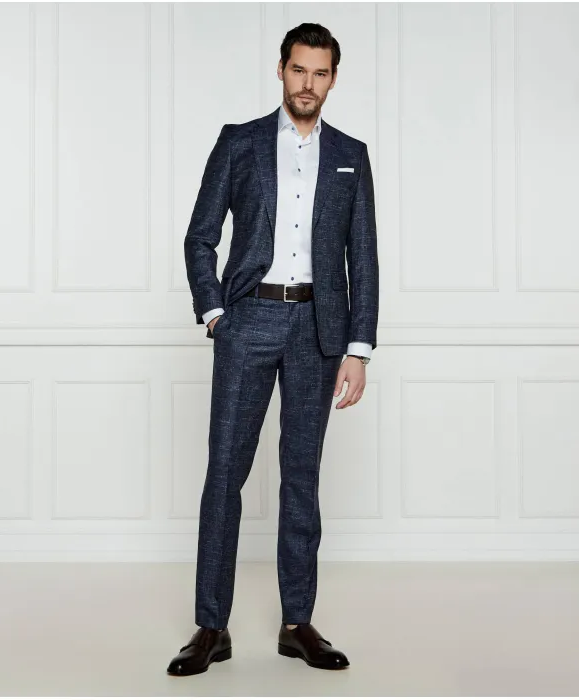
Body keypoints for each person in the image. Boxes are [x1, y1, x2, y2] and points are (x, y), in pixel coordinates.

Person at [168, 22, 379, 677]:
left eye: (320, 72)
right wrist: (215, 313)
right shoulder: (240, 143)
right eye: (298, 69)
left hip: (319, 330)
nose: (307, 83)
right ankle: (211, 627)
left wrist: (358, 347)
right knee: (224, 475)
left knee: (301, 479)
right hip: (250, 319)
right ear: (281, 70)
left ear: (333, 79)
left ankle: (297, 624)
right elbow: (200, 236)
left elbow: (363, 256)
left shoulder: (351, 154)